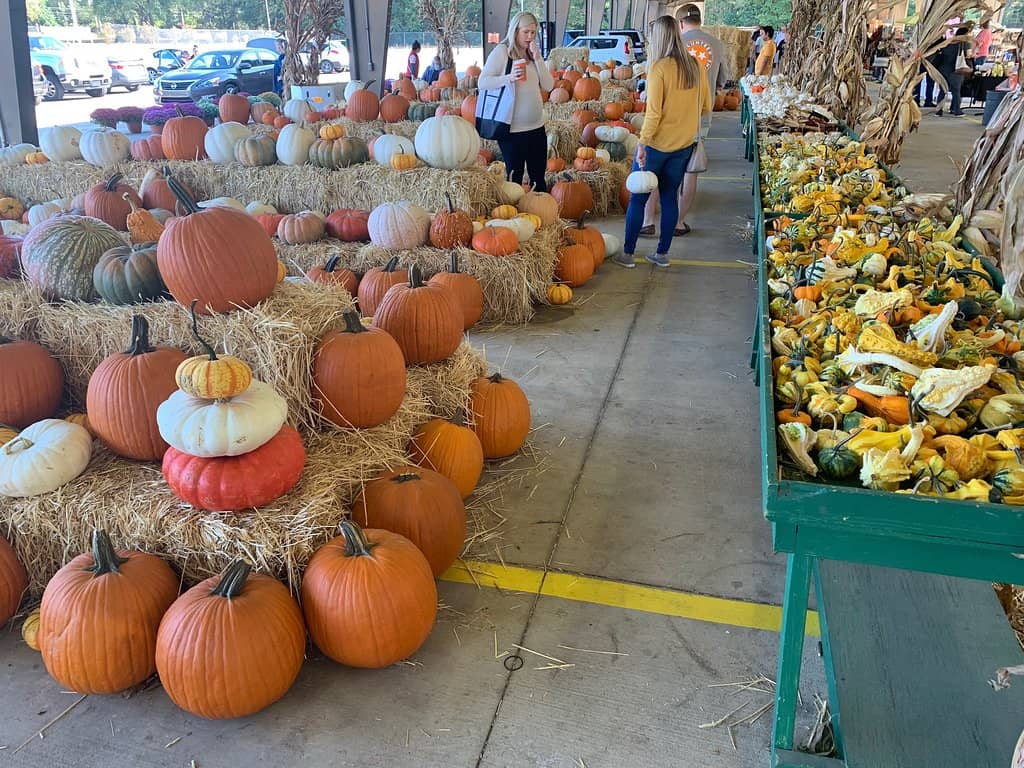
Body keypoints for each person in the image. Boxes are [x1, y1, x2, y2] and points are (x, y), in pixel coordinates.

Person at [614, 15, 711, 269]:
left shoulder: (659, 68)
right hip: (683, 146)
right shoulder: (696, 65)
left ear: (658, 39)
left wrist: (642, 143)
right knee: (669, 198)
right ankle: (662, 253)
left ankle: (628, 254)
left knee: (638, 198)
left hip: (656, 146)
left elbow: (654, 114)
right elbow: (706, 106)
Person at [639, 3, 726, 239]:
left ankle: (648, 221)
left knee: (654, 172)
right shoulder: (715, 45)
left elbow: (654, 109)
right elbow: (722, 80)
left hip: (664, 127)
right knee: (690, 170)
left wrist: (643, 140)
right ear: (699, 19)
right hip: (696, 122)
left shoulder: (662, 57)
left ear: (679, 23)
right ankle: (678, 222)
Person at [478, 12, 554, 192]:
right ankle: (514, 210)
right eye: (526, 32)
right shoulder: (502, 52)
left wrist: (538, 58)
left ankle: (539, 209)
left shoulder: (532, 54)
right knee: (514, 180)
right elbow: (482, 82)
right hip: (512, 130)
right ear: (515, 31)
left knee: (538, 179)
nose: (530, 37)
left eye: (533, 33)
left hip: (536, 127)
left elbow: (548, 85)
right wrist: (508, 78)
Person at [935, 27, 972, 116]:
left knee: (943, 90)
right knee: (956, 91)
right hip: (956, 70)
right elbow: (968, 55)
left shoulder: (948, 42)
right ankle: (956, 110)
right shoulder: (965, 43)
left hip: (943, 68)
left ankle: (939, 111)